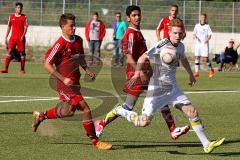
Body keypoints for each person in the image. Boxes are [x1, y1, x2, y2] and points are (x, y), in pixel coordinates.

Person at [114, 18, 225, 153]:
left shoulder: (181, 45)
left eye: (180, 33)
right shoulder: (162, 45)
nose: (178, 36)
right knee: (143, 122)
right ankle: (120, 111)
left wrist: (190, 74)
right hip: (157, 90)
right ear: (169, 32)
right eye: (175, 33)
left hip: (173, 89)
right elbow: (143, 57)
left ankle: (206, 144)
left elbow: (183, 58)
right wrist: (137, 75)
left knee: (192, 112)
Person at [94, 5, 190, 140]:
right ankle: (101, 123)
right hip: (137, 75)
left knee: (160, 98)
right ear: (128, 18)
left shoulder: (138, 32)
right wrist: (137, 73)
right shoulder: (131, 33)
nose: (137, 17)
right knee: (128, 106)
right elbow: (128, 55)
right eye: (134, 15)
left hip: (146, 73)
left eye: (138, 15)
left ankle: (173, 129)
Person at [31, 13, 112, 150]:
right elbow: (47, 65)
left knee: (68, 112)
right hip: (64, 85)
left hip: (75, 83)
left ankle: (41, 116)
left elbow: (80, 58)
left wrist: (87, 70)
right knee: (85, 109)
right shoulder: (59, 44)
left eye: (75, 25)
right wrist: (63, 79)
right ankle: (95, 141)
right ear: (63, 27)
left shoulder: (79, 40)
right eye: (71, 26)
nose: (74, 28)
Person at [0, 2, 28, 74]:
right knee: (9, 51)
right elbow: (9, 27)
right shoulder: (11, 17)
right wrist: (6, 36)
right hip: (13, 38)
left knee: (22, 53)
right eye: (18, 8)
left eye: (21, 8)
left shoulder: (24, 17)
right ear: (16, 8)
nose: (20, 9)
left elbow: (25, 27)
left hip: (20, 38)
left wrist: (23, 35)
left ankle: (22, 69)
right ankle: (6, 69)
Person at [193, 13, 214, 78]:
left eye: (204, 17)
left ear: (205, 18)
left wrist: (207, 39)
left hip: (204, 44)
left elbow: (210, 35)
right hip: (198, 44)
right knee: (197, 57)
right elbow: (194, 33)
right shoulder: (197, 25)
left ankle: (211, 70)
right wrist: (194, 36)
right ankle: (196, 72)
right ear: (200, 18)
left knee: (205, 59)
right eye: (201, 17)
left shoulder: (207, 26)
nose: (203, 18)